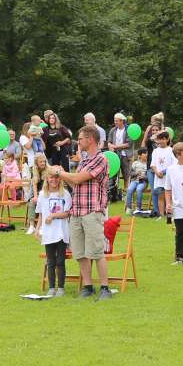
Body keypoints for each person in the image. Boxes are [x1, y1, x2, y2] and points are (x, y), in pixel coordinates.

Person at [56, 126, 114, 300]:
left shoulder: (100, 159)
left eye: (80, 139)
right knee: (79, 252)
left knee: (97, 251)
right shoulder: (83, 160)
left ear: (90, 140)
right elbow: (76, 184)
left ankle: (105, 288)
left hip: (92, 211)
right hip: (76, 211)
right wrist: (64, 176)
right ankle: (88, 287)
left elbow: (78, 178)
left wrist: (60, 172)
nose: (78, 142)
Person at [37, 168, 72, 296]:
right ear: (47, 179)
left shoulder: (65, 194)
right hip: (48, 233)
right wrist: (37, 229)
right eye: (51, 177)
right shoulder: (42, 195)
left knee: (60, 261)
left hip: (61, 232)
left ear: (60, 179)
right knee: (50, 261)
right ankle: (52, 287)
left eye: (56, 178)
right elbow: (40, 213)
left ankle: (61, 288)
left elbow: (68, 213)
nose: (54, 180)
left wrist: (53, 216)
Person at [148, 131, 175, 222]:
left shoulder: (171, 150)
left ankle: (169, 215)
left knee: (169, 196)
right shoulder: (155, 151)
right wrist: (156, 172)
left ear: (167, 139)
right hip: (158, 177)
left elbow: (174, 164)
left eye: (163, 139)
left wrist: (164, 172)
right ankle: (161, 215)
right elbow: (153, 164)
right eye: (160, 139)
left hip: (169, 177)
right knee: (160, 195)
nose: (162, 141)